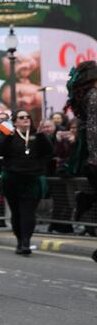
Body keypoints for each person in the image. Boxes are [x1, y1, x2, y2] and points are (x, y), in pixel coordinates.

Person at [0, 110, 52, 255]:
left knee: (28, 212)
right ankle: (20, 241)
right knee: (16, 213)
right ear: (15, 122)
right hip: (13, 179)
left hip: (32, 179)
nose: (26, 119)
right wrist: (8, 136)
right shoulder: (9, 135)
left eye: (28, 117)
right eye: (22, 117)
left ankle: (26, 242)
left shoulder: (37, 135)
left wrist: (41, 136)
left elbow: (49, 152)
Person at [64, 61, 97, 223]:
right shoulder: (94, 97)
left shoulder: (86, 97)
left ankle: (86, 199)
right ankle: (86, 199)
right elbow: (93, 130)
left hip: (90, 157)